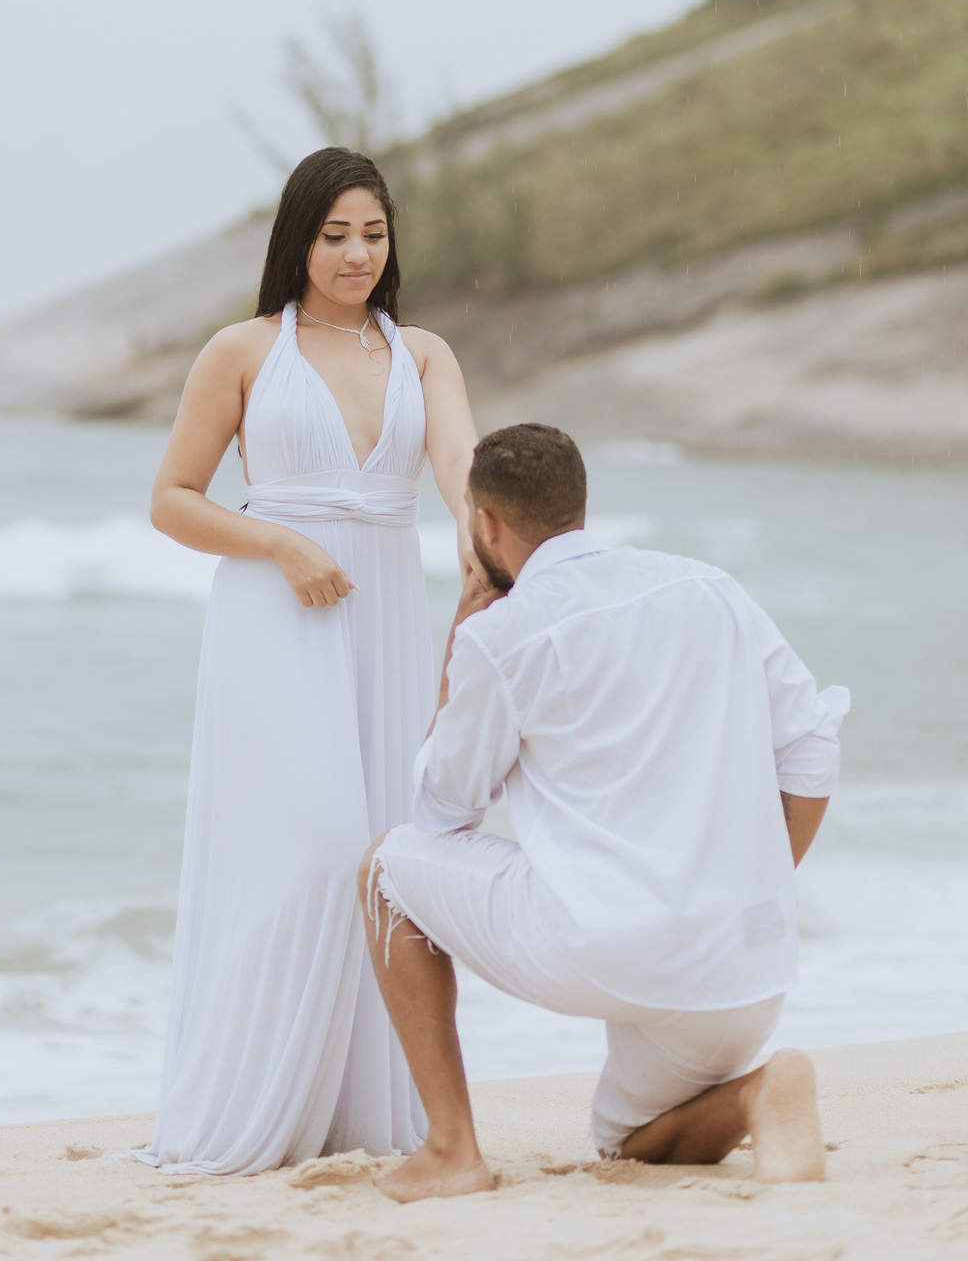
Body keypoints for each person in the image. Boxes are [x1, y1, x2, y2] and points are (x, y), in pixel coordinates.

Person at [358, 422, 850, 1201]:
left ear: (486, 523)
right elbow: (813, 748)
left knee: (386, 868)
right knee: (627, 1145)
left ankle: (451, 1148)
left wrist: (461, 636)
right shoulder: (707, 587)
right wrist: (757, 881)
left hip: (607, 950)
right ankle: (760, 1093)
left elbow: (442, 812)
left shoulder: (501, 635)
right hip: (745, 965)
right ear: (579, 505)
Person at [135, 147, 478, 1175]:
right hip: (274, 620)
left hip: (386, 623)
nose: (357, 254)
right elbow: (172, 500)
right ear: (298, 240)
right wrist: (280, 543)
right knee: (311, 852)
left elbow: (459, 465)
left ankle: (362, 1112)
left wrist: (490, 548)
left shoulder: (423, 354)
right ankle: (252, 1105)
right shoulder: (242, 350)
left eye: (373, 234)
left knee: (385, 858)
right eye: (335, 235)